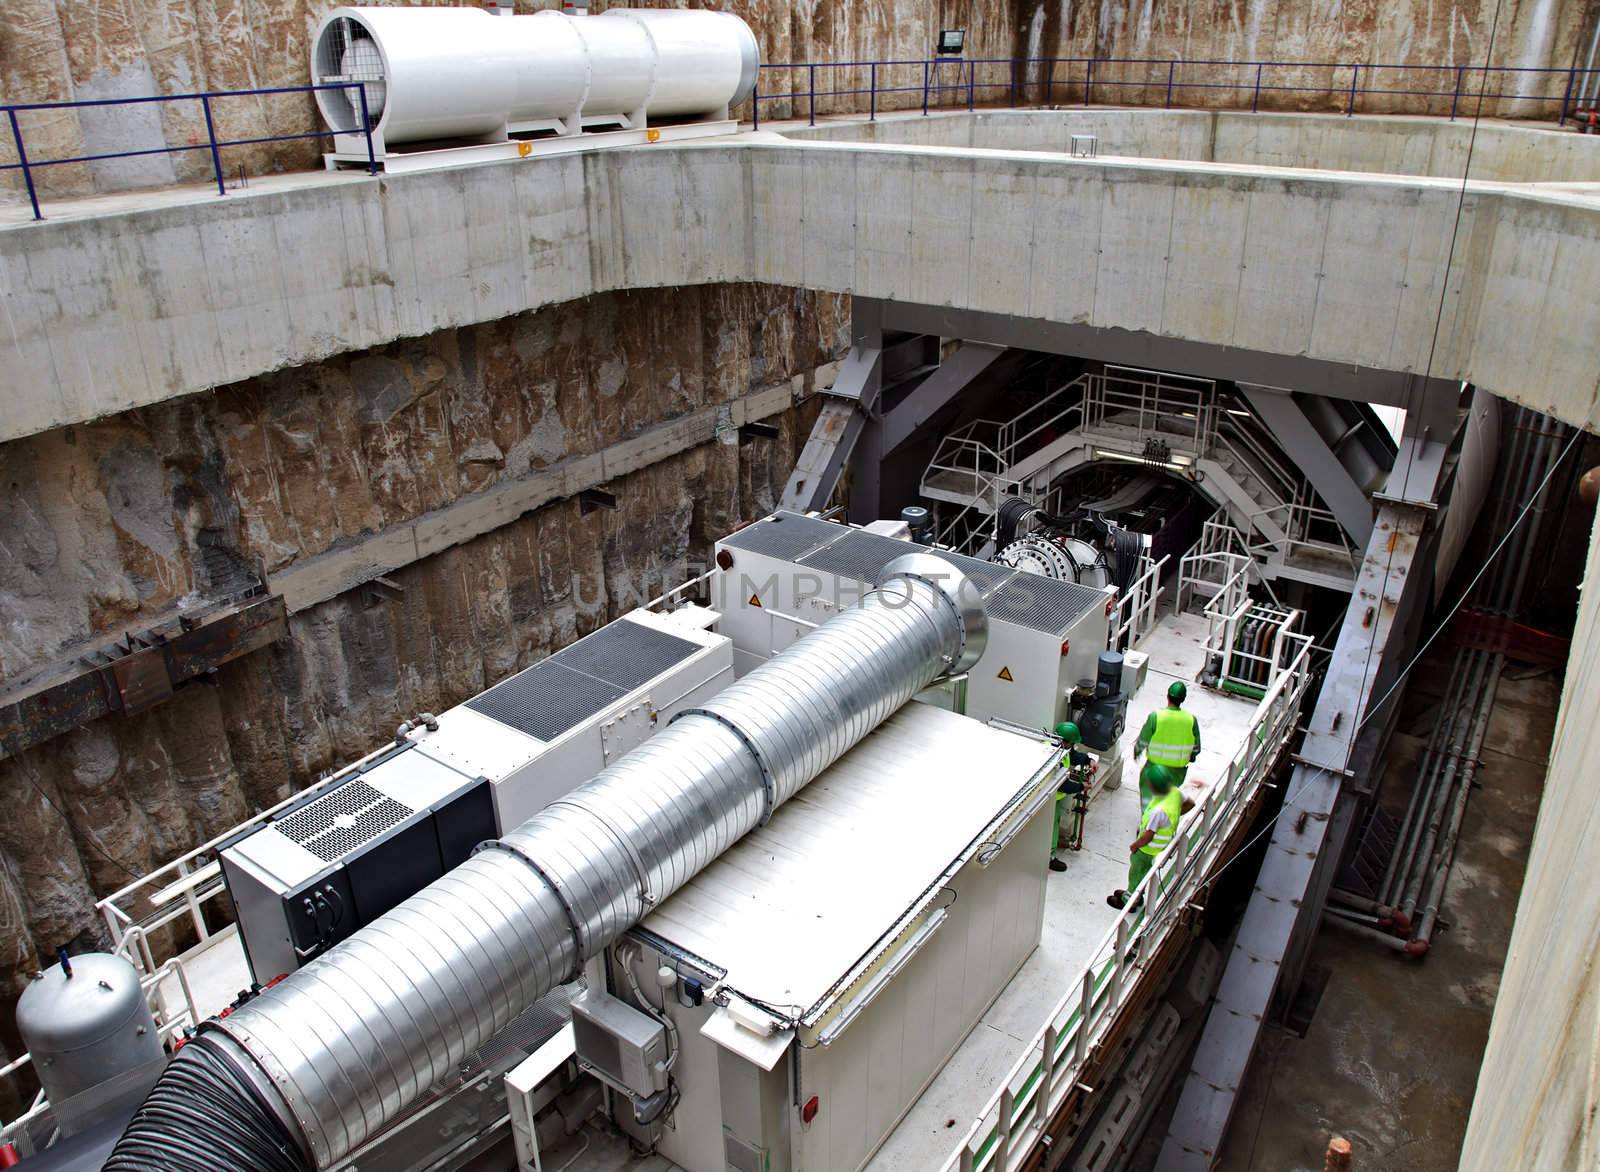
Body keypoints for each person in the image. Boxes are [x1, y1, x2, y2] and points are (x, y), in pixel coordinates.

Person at [1107, 763, 1183, 909]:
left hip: (1147, 849)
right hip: (1160, 845)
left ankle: (1129, 901)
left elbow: (1148, 836)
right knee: (1143, 872)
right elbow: (1189, 803)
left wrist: (1135, 845)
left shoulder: (1158, 812)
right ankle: (1138, 895)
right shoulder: (1175, 793)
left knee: (1137, 873)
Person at [1135, 680, 1200, 802]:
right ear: (1183, 699)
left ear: (1167, 696)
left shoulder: (1156, 716)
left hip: (1154, 768)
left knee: (1148, 799)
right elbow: (1196, 748)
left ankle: (1147, 819)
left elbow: (1143, 739)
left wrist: (1137, 753)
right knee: (1166, 800)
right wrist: (1191, 757)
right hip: (1178, 772)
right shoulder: (1191, 720)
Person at [1049, 722, 1093, 872]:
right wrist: (1081, 787)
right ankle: (1049, 858)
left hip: (1054, 798)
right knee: (1051, 828)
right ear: (1065, 741)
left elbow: (1072, 756)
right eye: (1072, 743)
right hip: (1049, 800)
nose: (1072, 746)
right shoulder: (1053, 756)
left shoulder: (1059, 746)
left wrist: (1088, 760)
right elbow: (1063, 785)